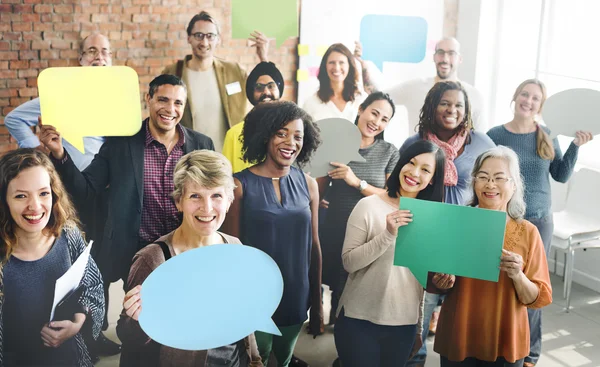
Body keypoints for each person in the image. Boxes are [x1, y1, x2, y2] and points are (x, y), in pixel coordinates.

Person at [4, 32, 120, 358]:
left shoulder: (117, 99)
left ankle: (93, 331)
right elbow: (14, 119)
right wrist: (39, 155)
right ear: (80, 60)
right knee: (65, 263)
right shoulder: (63, 94)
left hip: (102, 194)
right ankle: (65, 331)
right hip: (65, 190)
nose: (99, 57)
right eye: (91, 52)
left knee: (95, 265)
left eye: (105, 52)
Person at [39, 74, 214, 289]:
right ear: (148, 98)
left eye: (178, 103)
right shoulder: (121, 142)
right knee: (139, 317)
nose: (170, 109)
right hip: (136, 252)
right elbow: (87, 190)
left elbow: (213, 198)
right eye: (163, 100)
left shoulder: (202, 144)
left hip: (186, 248)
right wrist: (59, 153)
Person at [117, 150, 262, 367]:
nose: (207, 208)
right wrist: (138, 321)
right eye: (195, 196)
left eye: (216, 195)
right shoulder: (154, 260)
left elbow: (244, 321)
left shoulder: (234, 247)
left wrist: (255, 360)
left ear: (229, 200)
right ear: (179, 201)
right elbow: (128, 338)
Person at [486, 79, 593, 367]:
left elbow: (560, 175)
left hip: (540, 221)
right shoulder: (495, 135)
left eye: (535, 98)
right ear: (515, 96)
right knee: (502, 283)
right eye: (525, 94)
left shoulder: (546, 134)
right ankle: (501, 341)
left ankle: (530, 352)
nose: (529, 101)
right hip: (504, 221)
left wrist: (575, 146)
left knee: (533, 286)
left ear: (540, 105)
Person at [401, 80, 496, 367]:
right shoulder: (414, 142)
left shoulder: (480, 143)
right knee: (419, 313)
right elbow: (400, 187)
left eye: (458, 105)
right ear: (432, 106)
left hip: (467, 237)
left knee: (462, 315)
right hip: (425, 236)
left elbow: (496, 183)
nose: (451, 109)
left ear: (466, 111)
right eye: (444, 103)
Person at [222, 101, 323, 367]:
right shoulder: (238, 185)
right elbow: (231, 252)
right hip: (255, 296)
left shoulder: (309, 184)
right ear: (265, 135)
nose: (291, 142)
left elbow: (314, 246)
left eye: (298, 136)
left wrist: (317, 304)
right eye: (282, 133)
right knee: (258, 358)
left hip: (295, 294)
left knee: (285, 359)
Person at [432, 146, 553, 366]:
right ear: (474, 182)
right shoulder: (455, 222)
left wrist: (517, 275)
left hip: (505, 340)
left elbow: (537, 298)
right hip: (459, 333)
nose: (490, 184)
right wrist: (441, 281)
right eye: (483, 177)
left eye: (499, 178)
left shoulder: (528, 232)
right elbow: (433, 282)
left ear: (514, 185)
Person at [333, 139, 446, 367]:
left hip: (403, 323)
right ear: (401, 163)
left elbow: (421, 280)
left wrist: (442, 280)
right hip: (358, 319)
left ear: (433, 179)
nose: (414, 173)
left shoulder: (432, 220)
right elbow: (349, 263)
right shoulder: (369, 206)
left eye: (425, 170)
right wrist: (387, 234)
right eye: (410, 163)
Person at [0, 148, 104, 366]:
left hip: (70, 359)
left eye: (43, 193)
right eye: (21, 195)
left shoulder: (69, 236)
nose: (35, 206)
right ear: (4, 201)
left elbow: (93, 286)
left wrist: (78, 322)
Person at [318, 91, 399, 326]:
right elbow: (319, 185)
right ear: (361, 109)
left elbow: (391, 195)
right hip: (336, 223)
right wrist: (320, 198)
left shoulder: (389, 152)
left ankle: (349, 333)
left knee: (358, 283)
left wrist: (357, 183)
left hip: (371, 228)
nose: (376, 122)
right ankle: (327, 318)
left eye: (384, 119)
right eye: (374, 113)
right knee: (333, 277)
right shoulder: (336, 144)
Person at [162, 11, 270, 151]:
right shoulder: (173, 73)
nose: (204, 42)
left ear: (218, 39)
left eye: (210, 36)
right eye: (198, 35)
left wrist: (264, 58)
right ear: (189, 38)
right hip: (190, 157)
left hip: (230, 155)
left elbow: (265, 94)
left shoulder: (234, 71)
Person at [366, 37, 487, 133]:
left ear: (459, 58)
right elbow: (378, 96)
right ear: (434, 57)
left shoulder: (474, 96)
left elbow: (479, 139)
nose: (445, 59)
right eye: (440, 52)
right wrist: (363, 68)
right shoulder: (415, 87)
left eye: (451, 53)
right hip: (418, 159)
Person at [222, 61, 284, 173]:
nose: (266, 92)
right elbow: (225, 178)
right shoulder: (234, 134)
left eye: (271, 86)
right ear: (251, 93)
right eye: (259, 87)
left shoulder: (290, 131)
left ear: (279, 90)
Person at [302, 43, 366, 122]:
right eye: (331, 62)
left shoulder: (362, 99)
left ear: (349, 65)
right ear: (325, 66)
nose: (336, 67)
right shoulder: (311, 103)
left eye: (341, 62)